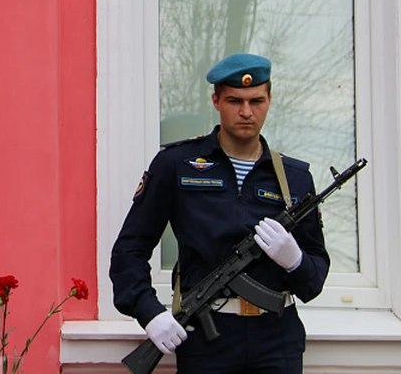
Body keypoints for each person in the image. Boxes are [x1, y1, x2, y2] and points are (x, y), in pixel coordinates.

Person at [110, 53, 329, 373]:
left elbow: (314, 279)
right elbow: (130, 250)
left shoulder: (293, 178)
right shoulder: (176, 165)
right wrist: (150, 312)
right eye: (234, 101)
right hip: (206, 338)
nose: (246, 112)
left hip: (276, 338)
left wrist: (295, 260)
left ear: (269, 99)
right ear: (215, 101)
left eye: (256, 101)